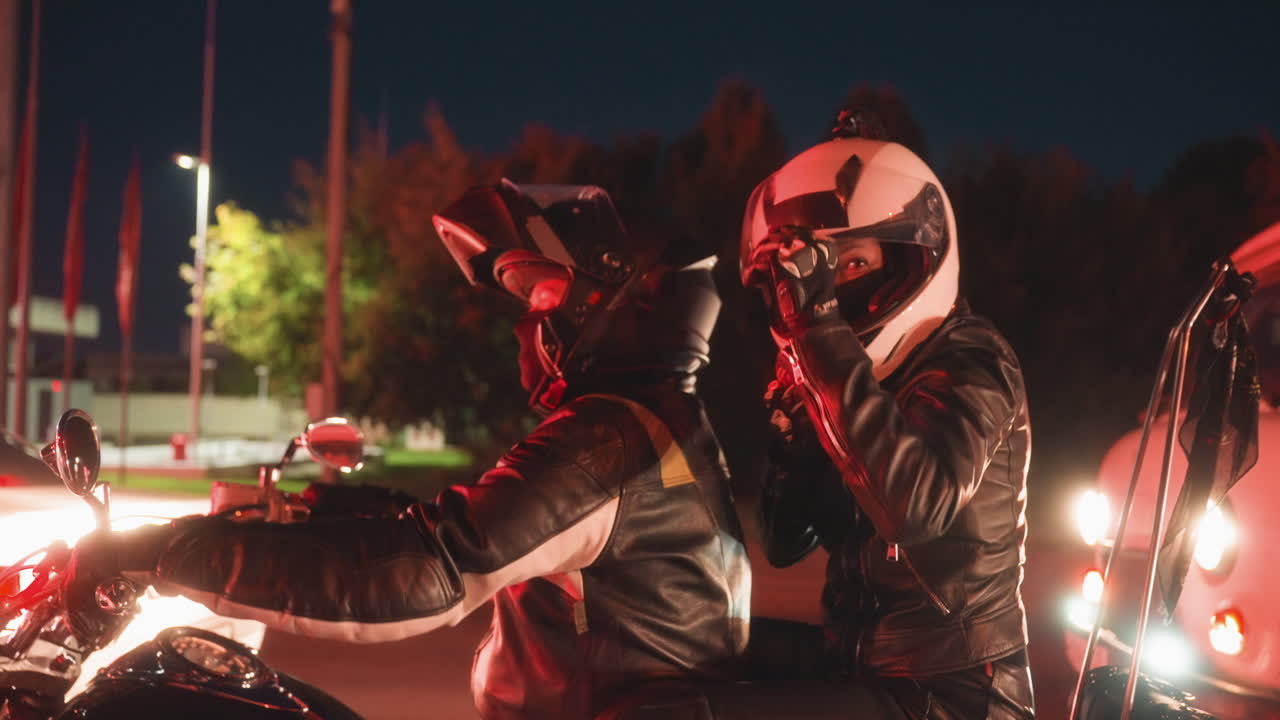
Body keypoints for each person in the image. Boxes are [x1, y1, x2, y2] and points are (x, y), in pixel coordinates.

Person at [64, 180, 751, 720]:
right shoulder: (652, 428)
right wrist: (316, 514)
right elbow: (478, 527)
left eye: (543, 293)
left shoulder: (606, 442)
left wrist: (158, 553)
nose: (528, 322)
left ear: (621, 301)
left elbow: (425, 574)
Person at [732, 111, 1036, 719]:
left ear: (909, 260)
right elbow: (785, 544)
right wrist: (794, 451)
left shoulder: (972, 359)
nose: (830, 292)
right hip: (859, 661)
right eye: (819, 272)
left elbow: (915, 507)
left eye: (853, 264)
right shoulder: (867, 378)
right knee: (675, 654)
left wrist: (818, 335)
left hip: (954, 692)